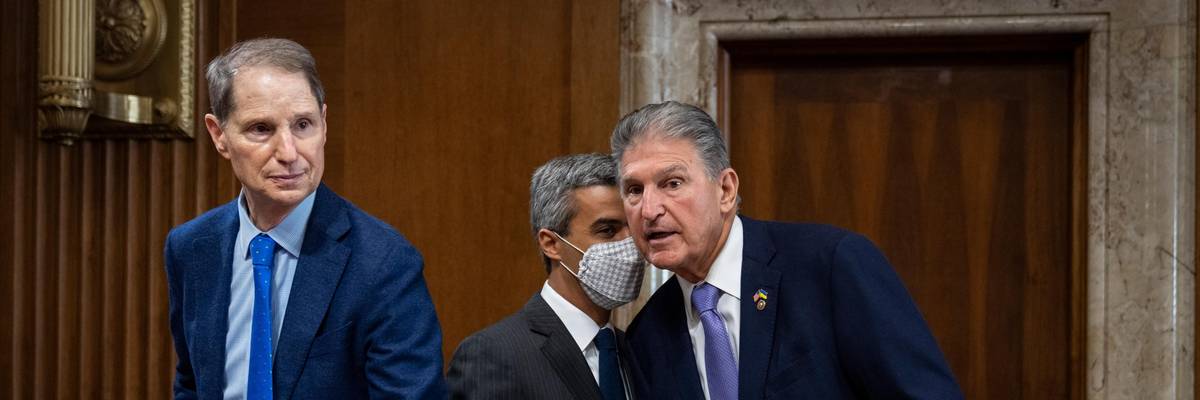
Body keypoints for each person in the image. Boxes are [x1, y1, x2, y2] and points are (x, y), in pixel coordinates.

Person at [613, 101, 962, 399]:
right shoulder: (648, 335)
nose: (649, 209)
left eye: (672, 183)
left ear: (725, 190)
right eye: (634, 190)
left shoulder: (830, 267)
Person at [164, 38, 446, 399]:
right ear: (219, 135)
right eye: (261, 129)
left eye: (302, 125)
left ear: (324, 124)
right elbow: (191, 382)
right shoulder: (190, 248)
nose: (289, 152)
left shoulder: (385, 264)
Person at [446, 153, 646, 400]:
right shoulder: (493, 354)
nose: (629, 244)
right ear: (551, 244)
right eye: (607, 230)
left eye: (633, 229)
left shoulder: (639, 352)